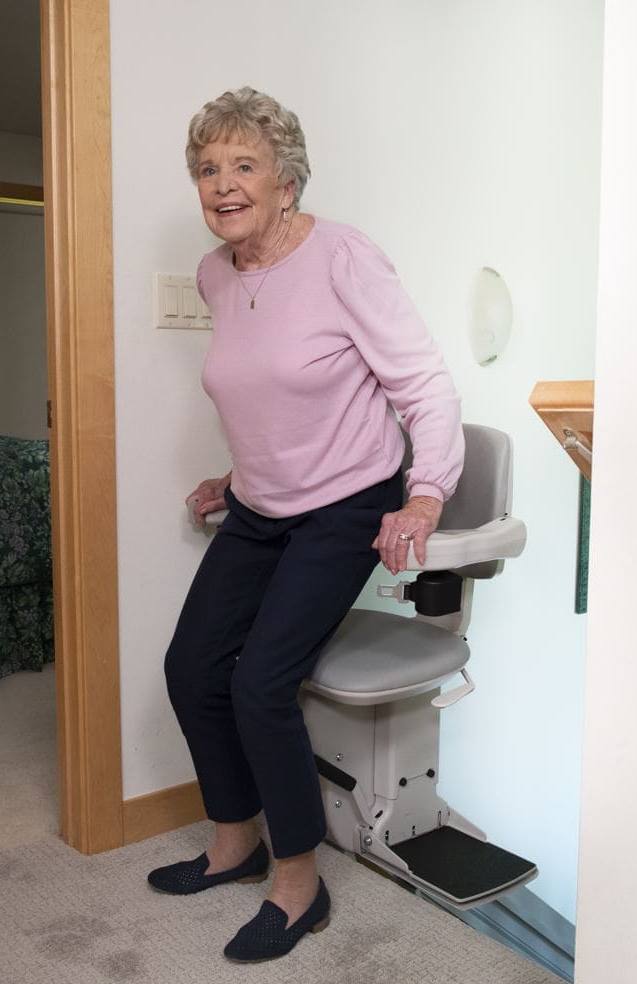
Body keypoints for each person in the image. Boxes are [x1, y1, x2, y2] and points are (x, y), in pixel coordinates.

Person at [147, 87, 464, 963]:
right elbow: (265, 389)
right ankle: (233, 840)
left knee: (258, 687)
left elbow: (424, 387)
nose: (222, 184)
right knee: (191, 668)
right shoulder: (218, 272)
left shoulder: (343, 259)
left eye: (243, 165)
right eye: (207, 168)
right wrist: (237, 471)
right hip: (259, 505)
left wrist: (426, 492)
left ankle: (298, 882)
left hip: (347, 504)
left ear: (286, 181)